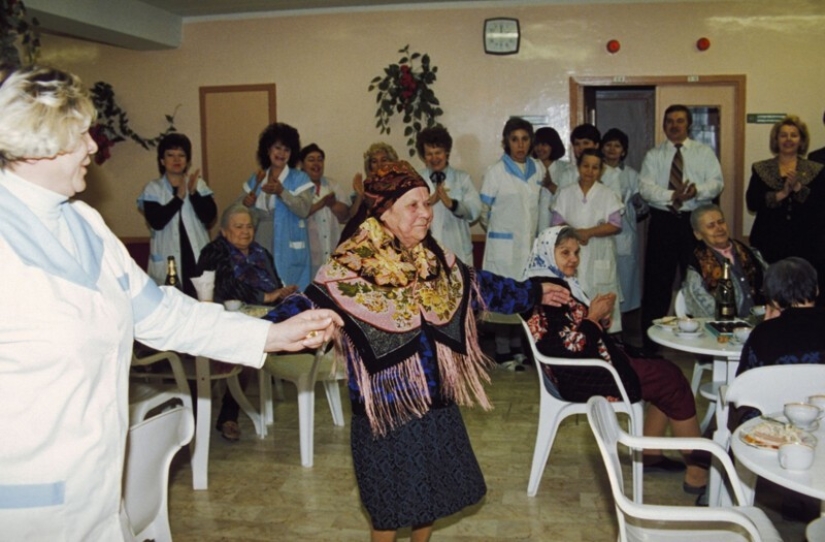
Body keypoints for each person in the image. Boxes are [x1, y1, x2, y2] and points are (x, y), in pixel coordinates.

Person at [0, 65, 341, 541]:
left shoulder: (86, 225)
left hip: (96, 490)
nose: (95, 147)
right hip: (22, 506)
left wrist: (273, 334)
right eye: (81, 134)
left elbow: (162, 313)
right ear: (42, 141)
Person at [264, 161, 569, 542]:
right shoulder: (351, 264)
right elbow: (307, 306)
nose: (426, 213)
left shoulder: (434, 257)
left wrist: (535, 292)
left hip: (436, 400)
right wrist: (256, 334)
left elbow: (480, 286)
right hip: (388, 410)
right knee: (389, 509)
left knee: (430, 497)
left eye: (426, 203)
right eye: (413, 205)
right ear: (384, 211)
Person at [522, 226, 709, 496]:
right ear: (546, 254)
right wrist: (592, 318)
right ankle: (697, 469)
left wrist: (597, 317)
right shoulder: (548, 294)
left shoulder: (553, 284)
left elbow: (572, 332)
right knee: (672, 380)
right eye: (564, 252)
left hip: (586, 367)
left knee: (665, 373)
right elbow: (570, 349)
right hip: (581, 376)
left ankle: (651, 453)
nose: (573, 258)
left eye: (576, 252)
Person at [196, 203, 299, 441]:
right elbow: (224, 285)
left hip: (260, 319)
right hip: (221, 321)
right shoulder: (213, 252)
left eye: (249, 226)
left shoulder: (260, 252)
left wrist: (282, 293)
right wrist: (266, 296)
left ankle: (226, 413)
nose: (245, 231)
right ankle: (224, 415)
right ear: (224, 231)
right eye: (238, 226)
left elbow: (274, 282)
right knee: (245, 347)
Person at [639, 104, 724, 351]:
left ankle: (704, 343)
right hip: (663, 223)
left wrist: (697, 190)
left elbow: (717, 183)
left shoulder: (703, 153)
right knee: (657, 286)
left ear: (689, 125)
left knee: (699, 282)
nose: (674, 126)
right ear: (664, 125)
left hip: (694, 224)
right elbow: (645, 188)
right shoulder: (654, 155)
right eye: (670, 122)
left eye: (679, 121)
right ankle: (650, 348)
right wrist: (672, 194)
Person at [480, 117, 552, 369]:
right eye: (514, 140)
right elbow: (484, 212)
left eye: (524, 139)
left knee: (524, 298)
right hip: (502, 247)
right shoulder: (495, 172)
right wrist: (502, 234)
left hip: (528, 246)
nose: (520, 145)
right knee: (503, 298)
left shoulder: (538, 169)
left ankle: (519, 349)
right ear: (506, 143)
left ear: (531, 142)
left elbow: (541, 207)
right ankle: (502, 352)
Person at [746, 115, 825, 302]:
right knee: (769, 289)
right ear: (776, 140)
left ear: (802, 140)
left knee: (803, 290)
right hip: (769, 241)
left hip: (806, 243)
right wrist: (781, 194)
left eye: (794, 135)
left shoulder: (816, 169)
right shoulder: (761, 168)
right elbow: (752, 203)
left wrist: (798, 189)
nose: (788, 140)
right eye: (783, 135)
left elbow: (820, 206)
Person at [551, 148, 624, 333]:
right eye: (585, 166)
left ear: (601, 170)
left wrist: (589, 232)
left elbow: (615, 224)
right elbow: (556, 222)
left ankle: (606, 348)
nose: (589, 171)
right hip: (571, 253)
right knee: (572, 301)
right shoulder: (566, 193)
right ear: (578, 166)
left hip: (600, 252)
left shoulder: (607, 194)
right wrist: (575, 234)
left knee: (601, 298)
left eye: (595, 167)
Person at [137, 132, 216, 297]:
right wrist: (179, 198)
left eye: (181, 155)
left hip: (195, 257)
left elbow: (209, 217)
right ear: (162, 160)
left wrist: (193, 194)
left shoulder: (198, 184)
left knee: (201, 302)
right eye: (170, 155)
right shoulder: (153, 188)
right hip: (168, 258)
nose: (176, 159)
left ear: (187, 160)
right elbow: (157, 221)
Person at [240, 122, 314, 289]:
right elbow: (241, 215)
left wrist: (282, 192)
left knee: (289, 294)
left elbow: (304, 210)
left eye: (286, 150)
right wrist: (248, 205)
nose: (281, 153)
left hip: (290, 247)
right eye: (277, 148)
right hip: (261, 242)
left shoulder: (300, 179)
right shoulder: (256, 178)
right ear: (268, 150)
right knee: (263, 290)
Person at [737, 257, 825, 375]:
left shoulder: (763, 334)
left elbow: (744, 381)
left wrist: (765, 326)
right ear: (817, 290)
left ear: (773, 300)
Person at [682, 204, 767, 318]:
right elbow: (702, 310)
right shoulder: (696, 266)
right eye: (711, 226)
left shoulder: (748, 252)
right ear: (698, 234)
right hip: (723, 328)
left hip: (760, 322)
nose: (719, 228)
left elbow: (771, 284)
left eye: (721, 222)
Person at [415, 125, 481, 266]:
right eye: (429, 154)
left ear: (447, 152)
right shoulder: (416, 179)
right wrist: (428, 202)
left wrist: (453, 204)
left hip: (458, 250)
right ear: (423, 156)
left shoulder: (462, 179)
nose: (434, 158)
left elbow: (475, 211)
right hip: (427, 251)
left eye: (438, 152)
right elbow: (408, 212)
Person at [300, 143, 351, 276]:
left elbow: (345, 216)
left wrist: (333, 204)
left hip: (332, 253)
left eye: (320, 159)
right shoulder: (296, 188)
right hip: (306, 259)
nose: (316, 163)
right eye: (311, 160)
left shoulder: (332, 185)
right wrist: (320, 203)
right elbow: (297, 214)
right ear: (302, 164)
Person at [338, 141, 398, 243]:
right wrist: (360, 196)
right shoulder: (365, 187)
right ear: (369, 166)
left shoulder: (401, 186)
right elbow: (352, 216)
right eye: (374, 161)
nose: (379, 165)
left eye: (384, 160)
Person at [553, 123, 601, 195]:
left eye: (586, 143)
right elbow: (559, 201)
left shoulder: (610, 174)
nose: (581, 148)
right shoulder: (567, 174)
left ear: (596, 145)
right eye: (577, 144)